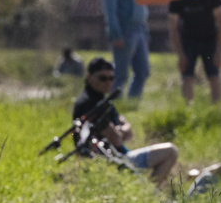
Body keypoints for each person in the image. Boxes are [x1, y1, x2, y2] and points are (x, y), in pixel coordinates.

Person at [73, 57, 178, 189]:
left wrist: (121, 129)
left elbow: (126, 132)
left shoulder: (101, 100)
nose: (108, 82)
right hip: (113, 161)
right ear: (89, 77)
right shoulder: (90, 105)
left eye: (111, 78)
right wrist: (123, 129)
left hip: (118, 156)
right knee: (170, 152)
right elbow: (117, 139)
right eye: (102, 78)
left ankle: (147, 192)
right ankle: (150, 195)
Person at [101, 0, 150, 99]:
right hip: (125, 30)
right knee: (120, 74)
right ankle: (114, 106)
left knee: (143, 71)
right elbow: (110, 8)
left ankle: (132, 104)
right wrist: (116, 33)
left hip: (140, 28)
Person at [168, 0, 221, 104]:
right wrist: (180, 54)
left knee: (214, 75)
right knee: (187, 76)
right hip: (188, 42)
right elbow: (173, 28)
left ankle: (217, 110)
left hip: (209, 41)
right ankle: (188, 111)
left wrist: (218, 50)